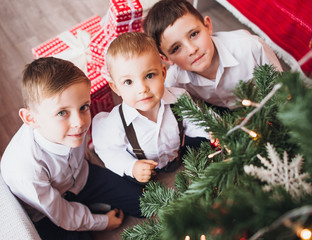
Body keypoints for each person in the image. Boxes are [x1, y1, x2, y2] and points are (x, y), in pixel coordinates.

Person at [0, 57, 144, 240]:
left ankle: (91, 206)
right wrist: (102, 222)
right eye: (62, 113)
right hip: (46, 213)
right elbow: (60, 214)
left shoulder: (72, 127)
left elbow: (82, 155)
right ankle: (90, 211)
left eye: (84, 107)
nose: (80, 123)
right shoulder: (26, 168)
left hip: (80, 177)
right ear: (31, 119)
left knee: (141, 201)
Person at [91, 32, 209, 184]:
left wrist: (211, 131)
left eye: (149, 76)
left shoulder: (179, 98)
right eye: (128, 82)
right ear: (116, 88)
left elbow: (196, 121)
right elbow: (109, 151)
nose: (142, 89)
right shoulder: (116, 123)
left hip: (175, 158)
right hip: (140, 171)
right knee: (126, 187)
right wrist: (131, 167)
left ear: (163, 73)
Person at [143, 0, 283, 109]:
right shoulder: (174, 81)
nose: (192, 50)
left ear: (208, 26)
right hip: (220, 115)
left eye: (194, 34)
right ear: (166, 59)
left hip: (263, 105)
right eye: (176, 48)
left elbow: (282, 87)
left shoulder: (250, 48)